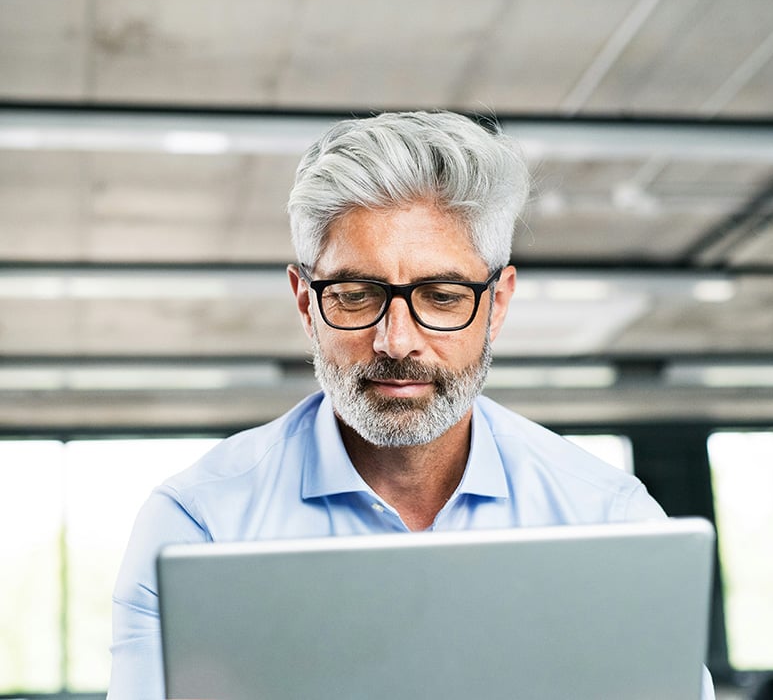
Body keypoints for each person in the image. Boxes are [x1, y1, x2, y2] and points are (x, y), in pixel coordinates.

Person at [107, 110, 714, 699]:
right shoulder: (198, 526)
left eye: (443, 296)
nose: (397, 341)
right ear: (304, 300)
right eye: (354, 294)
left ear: (497, 304)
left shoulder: (607, 521)